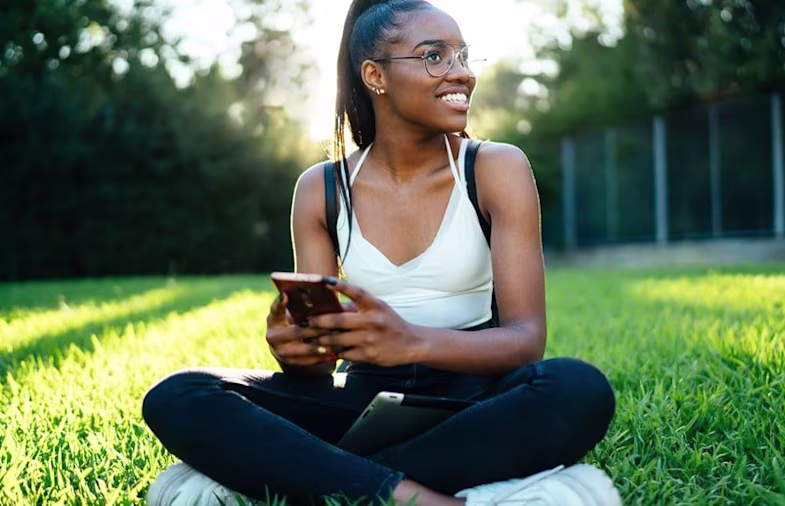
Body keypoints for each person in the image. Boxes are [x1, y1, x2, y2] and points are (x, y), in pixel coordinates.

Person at [142, 1, 618, 504]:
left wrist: (411, 341)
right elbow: (320, 368)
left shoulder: (496, 168)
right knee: (180, 395)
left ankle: (328, 480)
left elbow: (525, 341)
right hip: (362, 402)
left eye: (463, 55)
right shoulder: (321, 189)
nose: (461, 74)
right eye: (435, 56)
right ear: (375, 76)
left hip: (473, 401)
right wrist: (297, 352)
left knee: (577, 388)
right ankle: (420, 496)